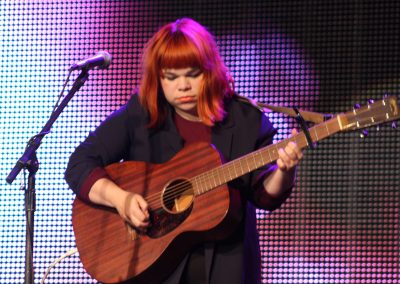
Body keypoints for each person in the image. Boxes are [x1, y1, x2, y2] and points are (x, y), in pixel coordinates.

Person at [65, 18, 303, 284]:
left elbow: (264, 196)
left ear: (210, 71)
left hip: (225, 268)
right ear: (158, 77)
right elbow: (79, 165)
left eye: (193, 74)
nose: (183, 86)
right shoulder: (141, 113)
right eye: (171, 77)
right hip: (150, 268)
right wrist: (121, 199)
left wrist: (285, 171)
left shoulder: (246, 120)